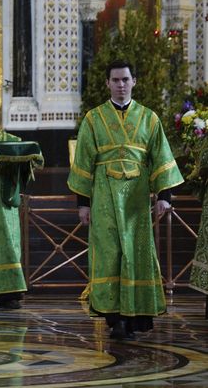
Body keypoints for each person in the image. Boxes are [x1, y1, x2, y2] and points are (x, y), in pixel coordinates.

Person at [68, 59, 183, 339]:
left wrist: (164, 196)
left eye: (125, 80)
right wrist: (83, 203)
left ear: (134, 82)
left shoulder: (149, 118)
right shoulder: (93, 119)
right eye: (116, 80)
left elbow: (161, 157)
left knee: (137, 254)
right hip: (104, 199)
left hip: (137, 200)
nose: (121, 85)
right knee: (109, 255)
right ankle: (114, 318)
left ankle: (138, 318)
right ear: (107, 83)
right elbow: (83, 161)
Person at [0, 89, 43, 309]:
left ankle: (9, 293)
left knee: (8, 244)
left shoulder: (12, 141)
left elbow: (27, 168)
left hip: (4, 203)